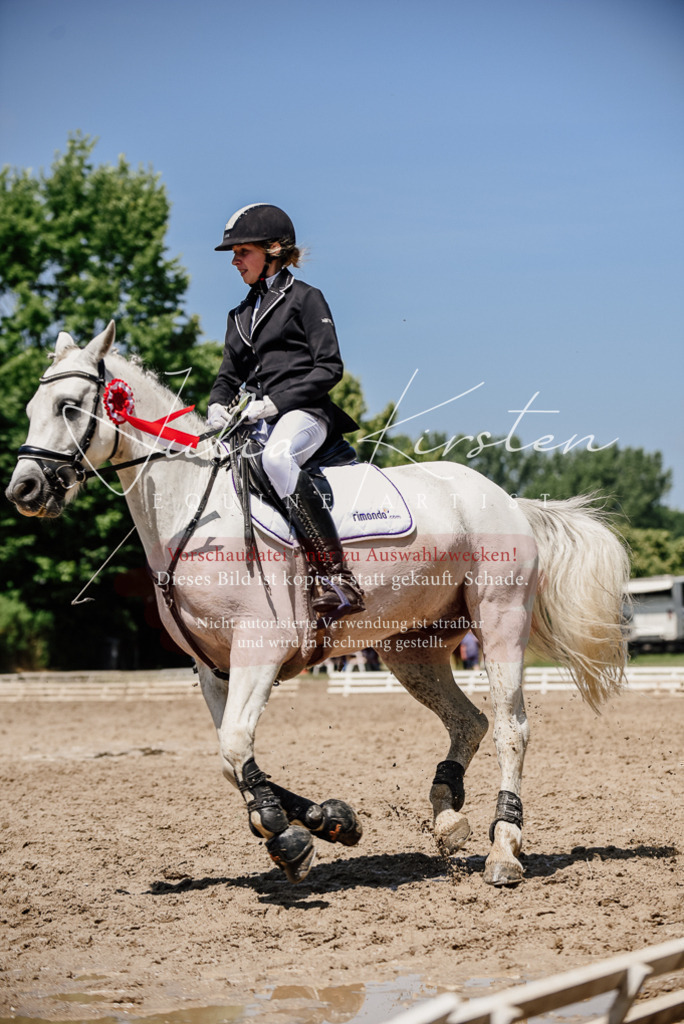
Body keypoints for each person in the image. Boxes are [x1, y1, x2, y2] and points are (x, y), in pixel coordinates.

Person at [207, 203, 365, 620]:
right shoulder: (239, 315)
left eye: (243, 251)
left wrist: (276, 403)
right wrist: (215, 406)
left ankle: (337, 575)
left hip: (304, 413)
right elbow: (227, 375)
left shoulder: (306, 299)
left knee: (278, 457)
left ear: (274, 249)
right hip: (256, 419)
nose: (236, 261)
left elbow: (330, 367)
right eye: (235, 255)